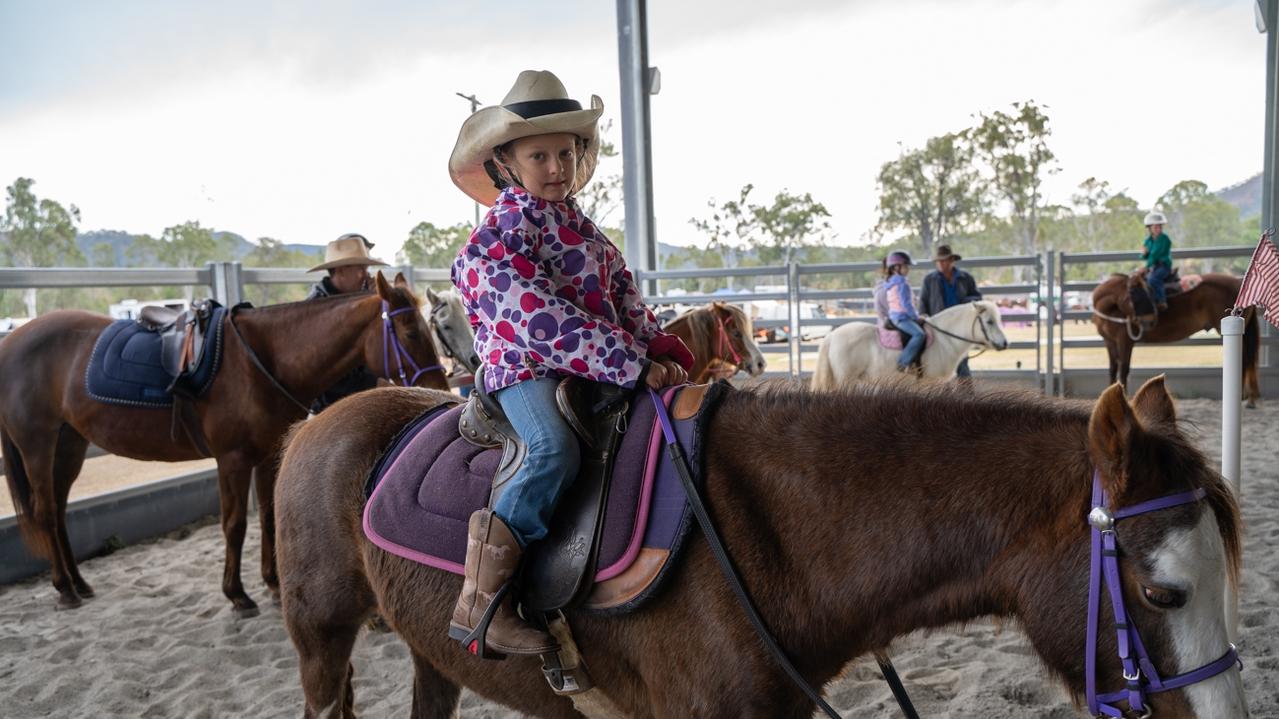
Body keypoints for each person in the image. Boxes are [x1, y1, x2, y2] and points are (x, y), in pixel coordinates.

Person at [446, 70, 694, 656]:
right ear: (505, 162)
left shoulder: (582, 230)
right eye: (539, 155)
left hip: (595, 365)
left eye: (566, 152)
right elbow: (541, 323)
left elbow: (623, 295)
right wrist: (630, 364)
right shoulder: (493, 244)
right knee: (551, 449)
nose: (557, 166)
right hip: (526, 369)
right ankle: (481, 603)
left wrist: (655, 345)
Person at [305, 233, 388, 412]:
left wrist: (375, 301)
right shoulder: (317, 310)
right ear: (341, 270)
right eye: (361, 269)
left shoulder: (356, 299)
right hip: (330, 409)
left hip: (361, 400)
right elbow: (325, 376)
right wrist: (375, 383)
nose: (366, 275)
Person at [919, 244, 982, 379]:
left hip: (960, 328)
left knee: (962, 363)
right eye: (938, 261)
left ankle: (967, 397)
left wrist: (965, 303)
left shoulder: (966, 278)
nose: (941, 264)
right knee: (942, 366)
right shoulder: (930, 280)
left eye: (944, 260)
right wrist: (923, 316)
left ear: (951, 260)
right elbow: (923, 301)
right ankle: (946, 398)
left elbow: (977, 298)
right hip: (940, 329)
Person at [876, 249, 925, 373]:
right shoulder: (902, 282)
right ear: (895, 267)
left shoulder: (890, 282)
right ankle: (903, 362)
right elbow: (906, 304)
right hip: (901, 317)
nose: (908, 269)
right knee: (919, 335)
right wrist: (916, 317)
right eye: (905, 266)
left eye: (907, 266)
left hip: (894, 316)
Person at [1141, 211, 1173, 310]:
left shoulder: (1165, 239)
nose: (1158, 229)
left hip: (1164, 266)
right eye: (1155, 227)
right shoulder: (1148, 241)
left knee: (1153, 279)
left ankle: (1161, 300)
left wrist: (1145, 267)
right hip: (1154, 266)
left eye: (1160, 227)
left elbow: (1154, 255)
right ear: (1149, 228)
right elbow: (1146, 257)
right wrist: (1144, 254)